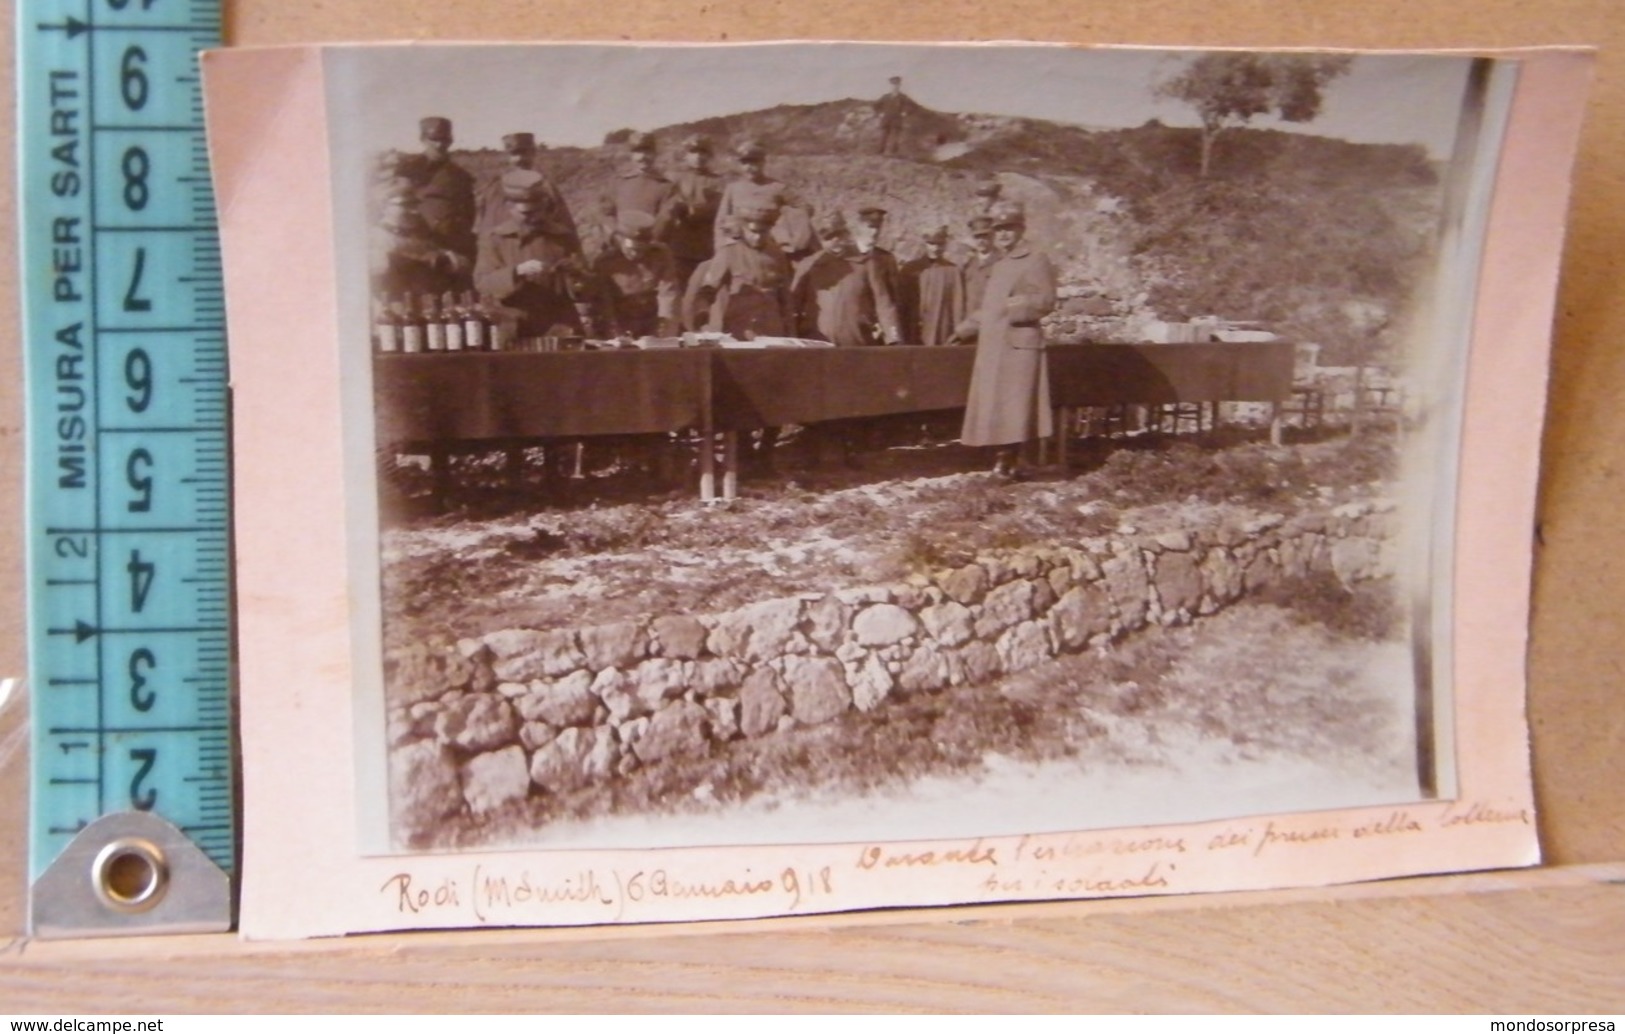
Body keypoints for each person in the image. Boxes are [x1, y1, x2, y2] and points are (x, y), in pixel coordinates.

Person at [953, 200, 1057, 478]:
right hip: (995, 346)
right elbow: (990, 308)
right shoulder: (1000, 266)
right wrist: (962, 329)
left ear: (1021, 229)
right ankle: (1005, 460)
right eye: (999, 230)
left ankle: (1010, 462)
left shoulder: (1035, 259)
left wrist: (1012, 307)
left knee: (1015, 407)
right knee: (999, 405)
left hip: (1019, 346)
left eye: (1009, 229)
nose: (1003, 235)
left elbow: (1046, 301)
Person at [474, 169, 589, 339]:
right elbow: (483, 283)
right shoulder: (496, 239)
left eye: (538, 211)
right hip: (514, 324)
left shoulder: (563, 236)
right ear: (509, 208)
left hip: (558, 325)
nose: (533, 217)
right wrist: (516, 272)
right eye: (526, 213)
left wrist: (575, 275)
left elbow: (585, 284)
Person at [791, 211, 902, 348]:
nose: (835, 241)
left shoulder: (866, 263)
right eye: (829, 237)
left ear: (846, 234)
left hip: (856, 339)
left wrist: (893, 336)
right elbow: (792, 305)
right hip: (817, 341)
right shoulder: (808, 265)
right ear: (820, 239)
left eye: (839, 235)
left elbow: (884, 304)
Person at [393, 116, 477, 291]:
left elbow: (469, 214)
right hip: (421, 251)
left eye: (445, 140)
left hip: (456, 249)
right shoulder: (409, 170)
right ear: (423, 139)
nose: (440, 145)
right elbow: (400, 211)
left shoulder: (460, 175)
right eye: (434, 139)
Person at [693, 205, 793, 338]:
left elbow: (785, 298)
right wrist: (702, 317)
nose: (757, 237)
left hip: (772, 329)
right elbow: (707, 291)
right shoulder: (729, 253)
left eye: (762, 232)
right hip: (740, 329)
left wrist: (790, 331)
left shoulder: (777, 255)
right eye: (753, 232)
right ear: (743, 229)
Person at [475, 132, 580, 253]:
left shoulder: (545, 187)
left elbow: (565, 226)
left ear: (533, 154)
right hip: (504, 252)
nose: (520, 159)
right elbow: (485, 227)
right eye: (514, 154)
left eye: (525, 153)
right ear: (507, 157)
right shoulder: (494, 189)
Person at [715, 139, 816, 263]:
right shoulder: (733, 188)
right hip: (740, 244)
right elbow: (720, 222)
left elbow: (806, 209)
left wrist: (785, 226)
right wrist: (721, 247)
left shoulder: (777, 187)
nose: (749, 168)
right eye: (745, 163)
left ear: (763, 163)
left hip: (772, 245)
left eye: (754, 163)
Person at [589, 211, 681, 338]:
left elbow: (668, 293)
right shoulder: (605, 262)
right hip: (621, 323)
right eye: (631, 250)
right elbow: (605, 303)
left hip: (653, 321)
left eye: (641, 250)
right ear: (620, 241)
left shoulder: (661, 256)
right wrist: (614, 334)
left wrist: (665, 329)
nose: (636, 254)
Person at [667, 134, 725, 290]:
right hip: (680, 248)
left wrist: (691, 210)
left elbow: (720, 207)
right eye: (693, 152)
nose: (699, 156)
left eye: (703, 152)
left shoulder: (718, 181)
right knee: (681, 290)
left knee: (707, 290)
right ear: (686, 155)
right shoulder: (674, 179)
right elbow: (669, 207)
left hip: (708, 246)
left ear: (709, 155)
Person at [604, 131, 678, 242]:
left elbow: (665, 220)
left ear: (655, 154)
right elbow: (606, 214)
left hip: (650, 249)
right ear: (631, 155)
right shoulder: (617, 182)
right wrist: (618, 239)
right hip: (619, 246)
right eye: (637, 152)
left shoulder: (666, 187)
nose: (642, 157)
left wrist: (646, 244)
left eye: (647, 151)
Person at [899, 225, 965, 346]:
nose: (935, 248)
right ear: (925, 244)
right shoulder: (910, 269)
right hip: (914, 331)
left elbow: (958, 307)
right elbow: (902, 304)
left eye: (940, 244)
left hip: (942, 332)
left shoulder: (953, 271)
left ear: (945, 244)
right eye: (931, 244)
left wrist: (958, 333)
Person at [960, 215, 999, 317]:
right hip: (970, 319)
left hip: (993, 318)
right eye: (977, 237)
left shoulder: (1002, 261)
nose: (980, 241)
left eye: (985, 236)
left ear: (993, 235)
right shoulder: (968, 264)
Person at [875, 76, 907, 156]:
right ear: (890, 86)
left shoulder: (903, 97)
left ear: (899, 86)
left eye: (897, 85)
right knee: (883, 136)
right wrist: (880, 113)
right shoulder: (885, 97)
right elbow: (875, 105)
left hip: (897, 120)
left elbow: (910, 106)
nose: (895, 87)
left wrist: (905, 112)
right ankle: (879, 152)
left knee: (895, 137)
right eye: (893, 85)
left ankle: (893, 153)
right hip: (886, 119)